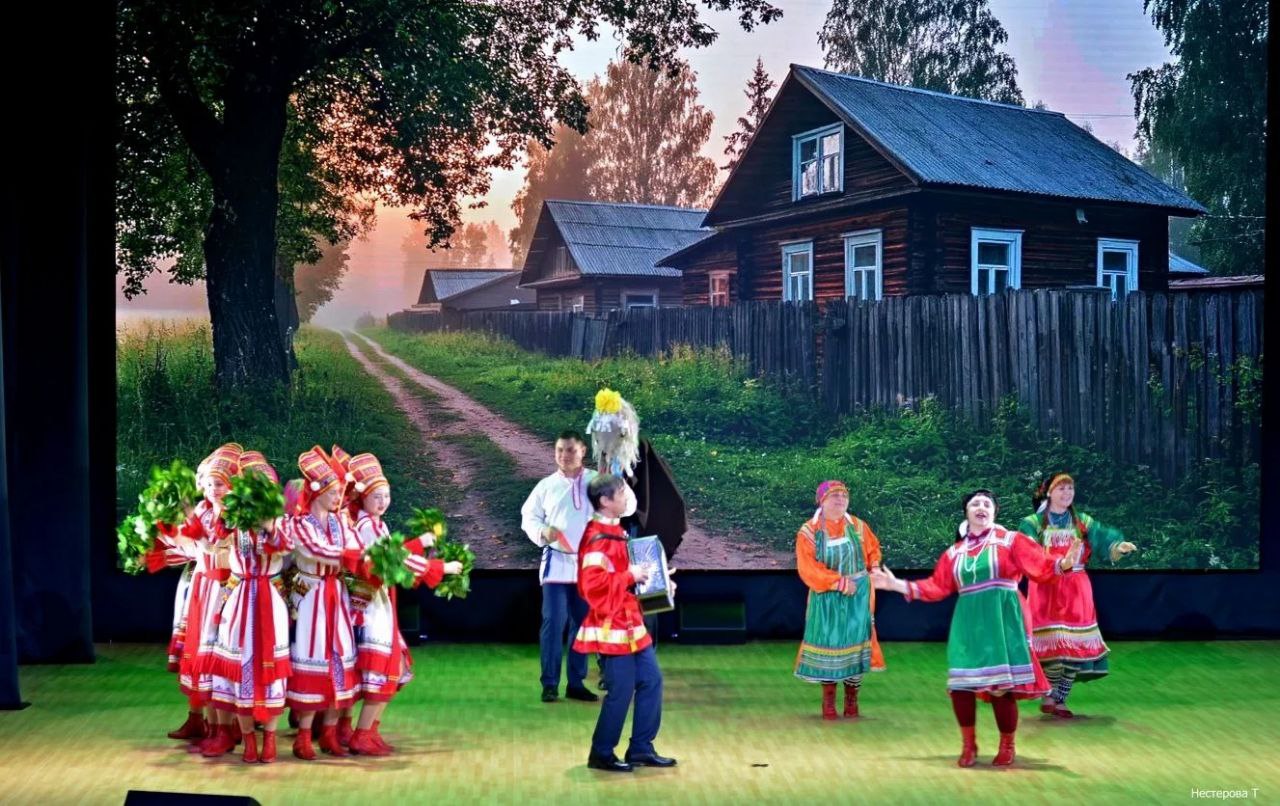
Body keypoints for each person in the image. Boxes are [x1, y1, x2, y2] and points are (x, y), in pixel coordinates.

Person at [871, 490, 1077, 768]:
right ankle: (969, 744)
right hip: (967, 624)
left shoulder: (1011, 541)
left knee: (1001, 688)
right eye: (975, 504)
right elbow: (936, 586)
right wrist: (895, 584)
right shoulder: (954, 553)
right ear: (966, 512)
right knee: (961, 686)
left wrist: (1063, 563)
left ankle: (1007, 744)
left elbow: (1040, 564)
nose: (981, 507)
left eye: (987, 504)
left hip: (1000, 621)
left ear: (994, 511)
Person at [343, 451, 462, 754]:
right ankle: (361, 733)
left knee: (392, 666)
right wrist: (440, 567)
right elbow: (393, 559)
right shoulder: (367, 526)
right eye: (376, 496)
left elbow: (395, 554)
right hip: (370, 604)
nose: (383, 501)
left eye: (386, 495)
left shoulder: (376, 524)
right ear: (363, 498)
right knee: (385, 667)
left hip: (379, 601)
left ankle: (368, 730)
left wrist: (419, 544)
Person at [574, 474, 676, 773]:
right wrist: (631, 575)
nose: (627, 496)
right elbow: (592, 588)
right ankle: (601, 753)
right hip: (612, 627)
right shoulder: (596, 540)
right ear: (605, 501)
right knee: (621, 691)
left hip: (630, 622)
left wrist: (659, 581)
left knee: (651, 680)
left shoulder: (616, 531)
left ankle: (641, 748)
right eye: (621, 492)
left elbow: (625, 574)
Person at [1018, 473, 1137, 718]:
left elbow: (1103, 537)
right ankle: (1049, 692)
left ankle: (1059, 698)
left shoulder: (1082, 521)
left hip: (1076, 588)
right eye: (1061, 488)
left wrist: (1118, 546)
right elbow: (1027, 552)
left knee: (1074, 647)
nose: (1067, 493)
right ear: (1048, 492)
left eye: (1070, 488)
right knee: (1050, 648)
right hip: (1046, 585)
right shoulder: (1032, 523)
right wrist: (1055, 564)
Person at [208, 450, 292, 763]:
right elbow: (217, 535)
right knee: (238, 666)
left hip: (269, 595)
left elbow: (285, 547)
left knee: (271, 669)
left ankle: (269, 738)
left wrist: (269, 526)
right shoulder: (234, 517)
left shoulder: (280, 520)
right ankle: (248, 741)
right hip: (240, 593)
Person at [285, 446, 360, 760]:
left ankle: (329, 732)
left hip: (336, 594)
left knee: (339, 659)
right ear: (317, 492)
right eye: (333, 492)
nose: (338, 497)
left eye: (339, 491)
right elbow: (318, 551)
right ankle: (303, 736)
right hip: (311, 595)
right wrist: (355, 556)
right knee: (312, 657)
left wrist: (363, 555)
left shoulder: (340, 523)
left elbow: (354, 544)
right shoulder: (299, 525)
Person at [520, 430, 600, 704]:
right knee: (554, 623)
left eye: (570, 450)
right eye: (560, 450)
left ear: (583, 451)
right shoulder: (546, 486)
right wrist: (543, 531)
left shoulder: (597, 481)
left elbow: (625, 507)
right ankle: (550, 684)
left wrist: (617, 483)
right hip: (557, 565)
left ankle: (576, 683)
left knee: (582, 625)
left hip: (588, 565)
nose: (564, 455)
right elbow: (528, 517)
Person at [794, 481, 885, 719]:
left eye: (844, 495)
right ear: (821, 501)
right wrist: (838, 582)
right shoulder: (809, 531)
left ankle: (852, 700)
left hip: (858, 597)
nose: (840, 500)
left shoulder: (858, 525)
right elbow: (808, 568)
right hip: (827, 597)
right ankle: (828, 702)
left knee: (857, 644)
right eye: (834, 496)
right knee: (830, 645)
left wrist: (875, 566)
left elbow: (873, 549)